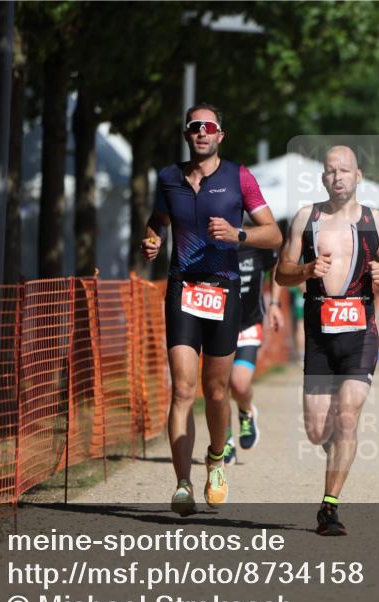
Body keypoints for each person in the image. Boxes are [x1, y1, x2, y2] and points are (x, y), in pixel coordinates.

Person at [141, 103, 282, 516]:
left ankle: (216, 461)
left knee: (216, 391)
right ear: (187, 135)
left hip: (224, 291)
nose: (201, 133)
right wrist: (150, 240)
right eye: (194, 127)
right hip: (183, 288)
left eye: (209, 127)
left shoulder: (240, 177)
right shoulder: (168, 178)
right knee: (183, 389)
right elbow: (157, 222)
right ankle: (183, 484)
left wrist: (239, 233)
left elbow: (273, 234)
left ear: (221, 135)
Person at [274, 145, 379, 536]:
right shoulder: (306, 219)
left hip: (361, 328)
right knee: (316, 430)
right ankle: (336, 453)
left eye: (345, 170)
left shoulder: (376, 221)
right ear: (323, 178)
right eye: (331, 171)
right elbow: (282, 273)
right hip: (319, 330)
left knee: (348, 417)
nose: (338, 176)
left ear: (358, 175)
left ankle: (329, 507)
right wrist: (306, 269)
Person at [222, 223, 286, 464]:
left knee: (238, 384)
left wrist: (274, 305)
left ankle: (246, 411)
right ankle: (225, 440)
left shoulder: (257, 244)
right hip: (217, 324)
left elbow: (278, 266)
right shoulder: (213, 240)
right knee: (219, 388)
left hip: (249, 323)